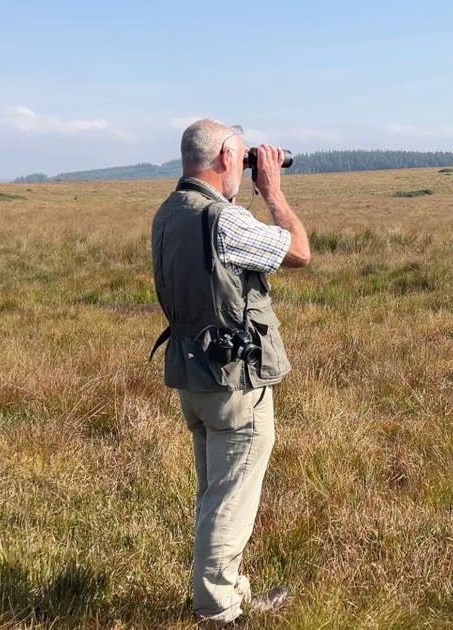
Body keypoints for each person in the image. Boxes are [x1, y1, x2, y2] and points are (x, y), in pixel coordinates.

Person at [149, 119, 310, 625]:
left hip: (192, 377)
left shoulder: (169, 212)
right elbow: (299, 252)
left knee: (216, 492)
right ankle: (218, 610)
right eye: (238, 157)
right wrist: (273, 192)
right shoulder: (222, 220)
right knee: (230, 499)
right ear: (224, 159)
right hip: (235, 381)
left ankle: (231, 588)